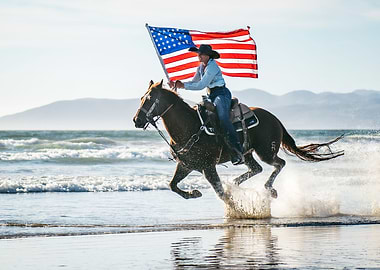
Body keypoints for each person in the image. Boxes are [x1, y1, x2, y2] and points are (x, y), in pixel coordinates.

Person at [169, 44, 244, 165]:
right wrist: (178, 84)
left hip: (221, 94)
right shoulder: (201, 67)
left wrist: (183, 86)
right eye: (198, 53)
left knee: (223, 118)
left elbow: (201, 85)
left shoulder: (212, 67)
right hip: (210, 95)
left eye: (201, 54)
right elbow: (194, 81)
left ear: (208, 56)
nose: (199, 55)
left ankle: (238, 151)